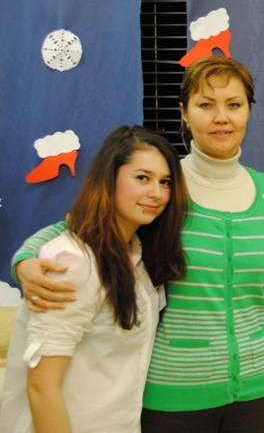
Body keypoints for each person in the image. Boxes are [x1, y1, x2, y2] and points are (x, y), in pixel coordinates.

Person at [11, 57, 264, 433]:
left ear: (248, 111)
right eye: (205, 105)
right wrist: (26, 260)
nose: (221, 117)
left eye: (234, 104)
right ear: (185, 113)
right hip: (174, 391)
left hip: (258, 388)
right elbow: (81, 227)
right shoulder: (161, 187)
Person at [0, 125, 187, 432]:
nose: (156, 193)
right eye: (142, 178)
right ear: (109, 179)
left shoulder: (137, 255)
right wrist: (23, 262)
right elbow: (42, 387)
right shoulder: (75, 262)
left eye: (165, 182)